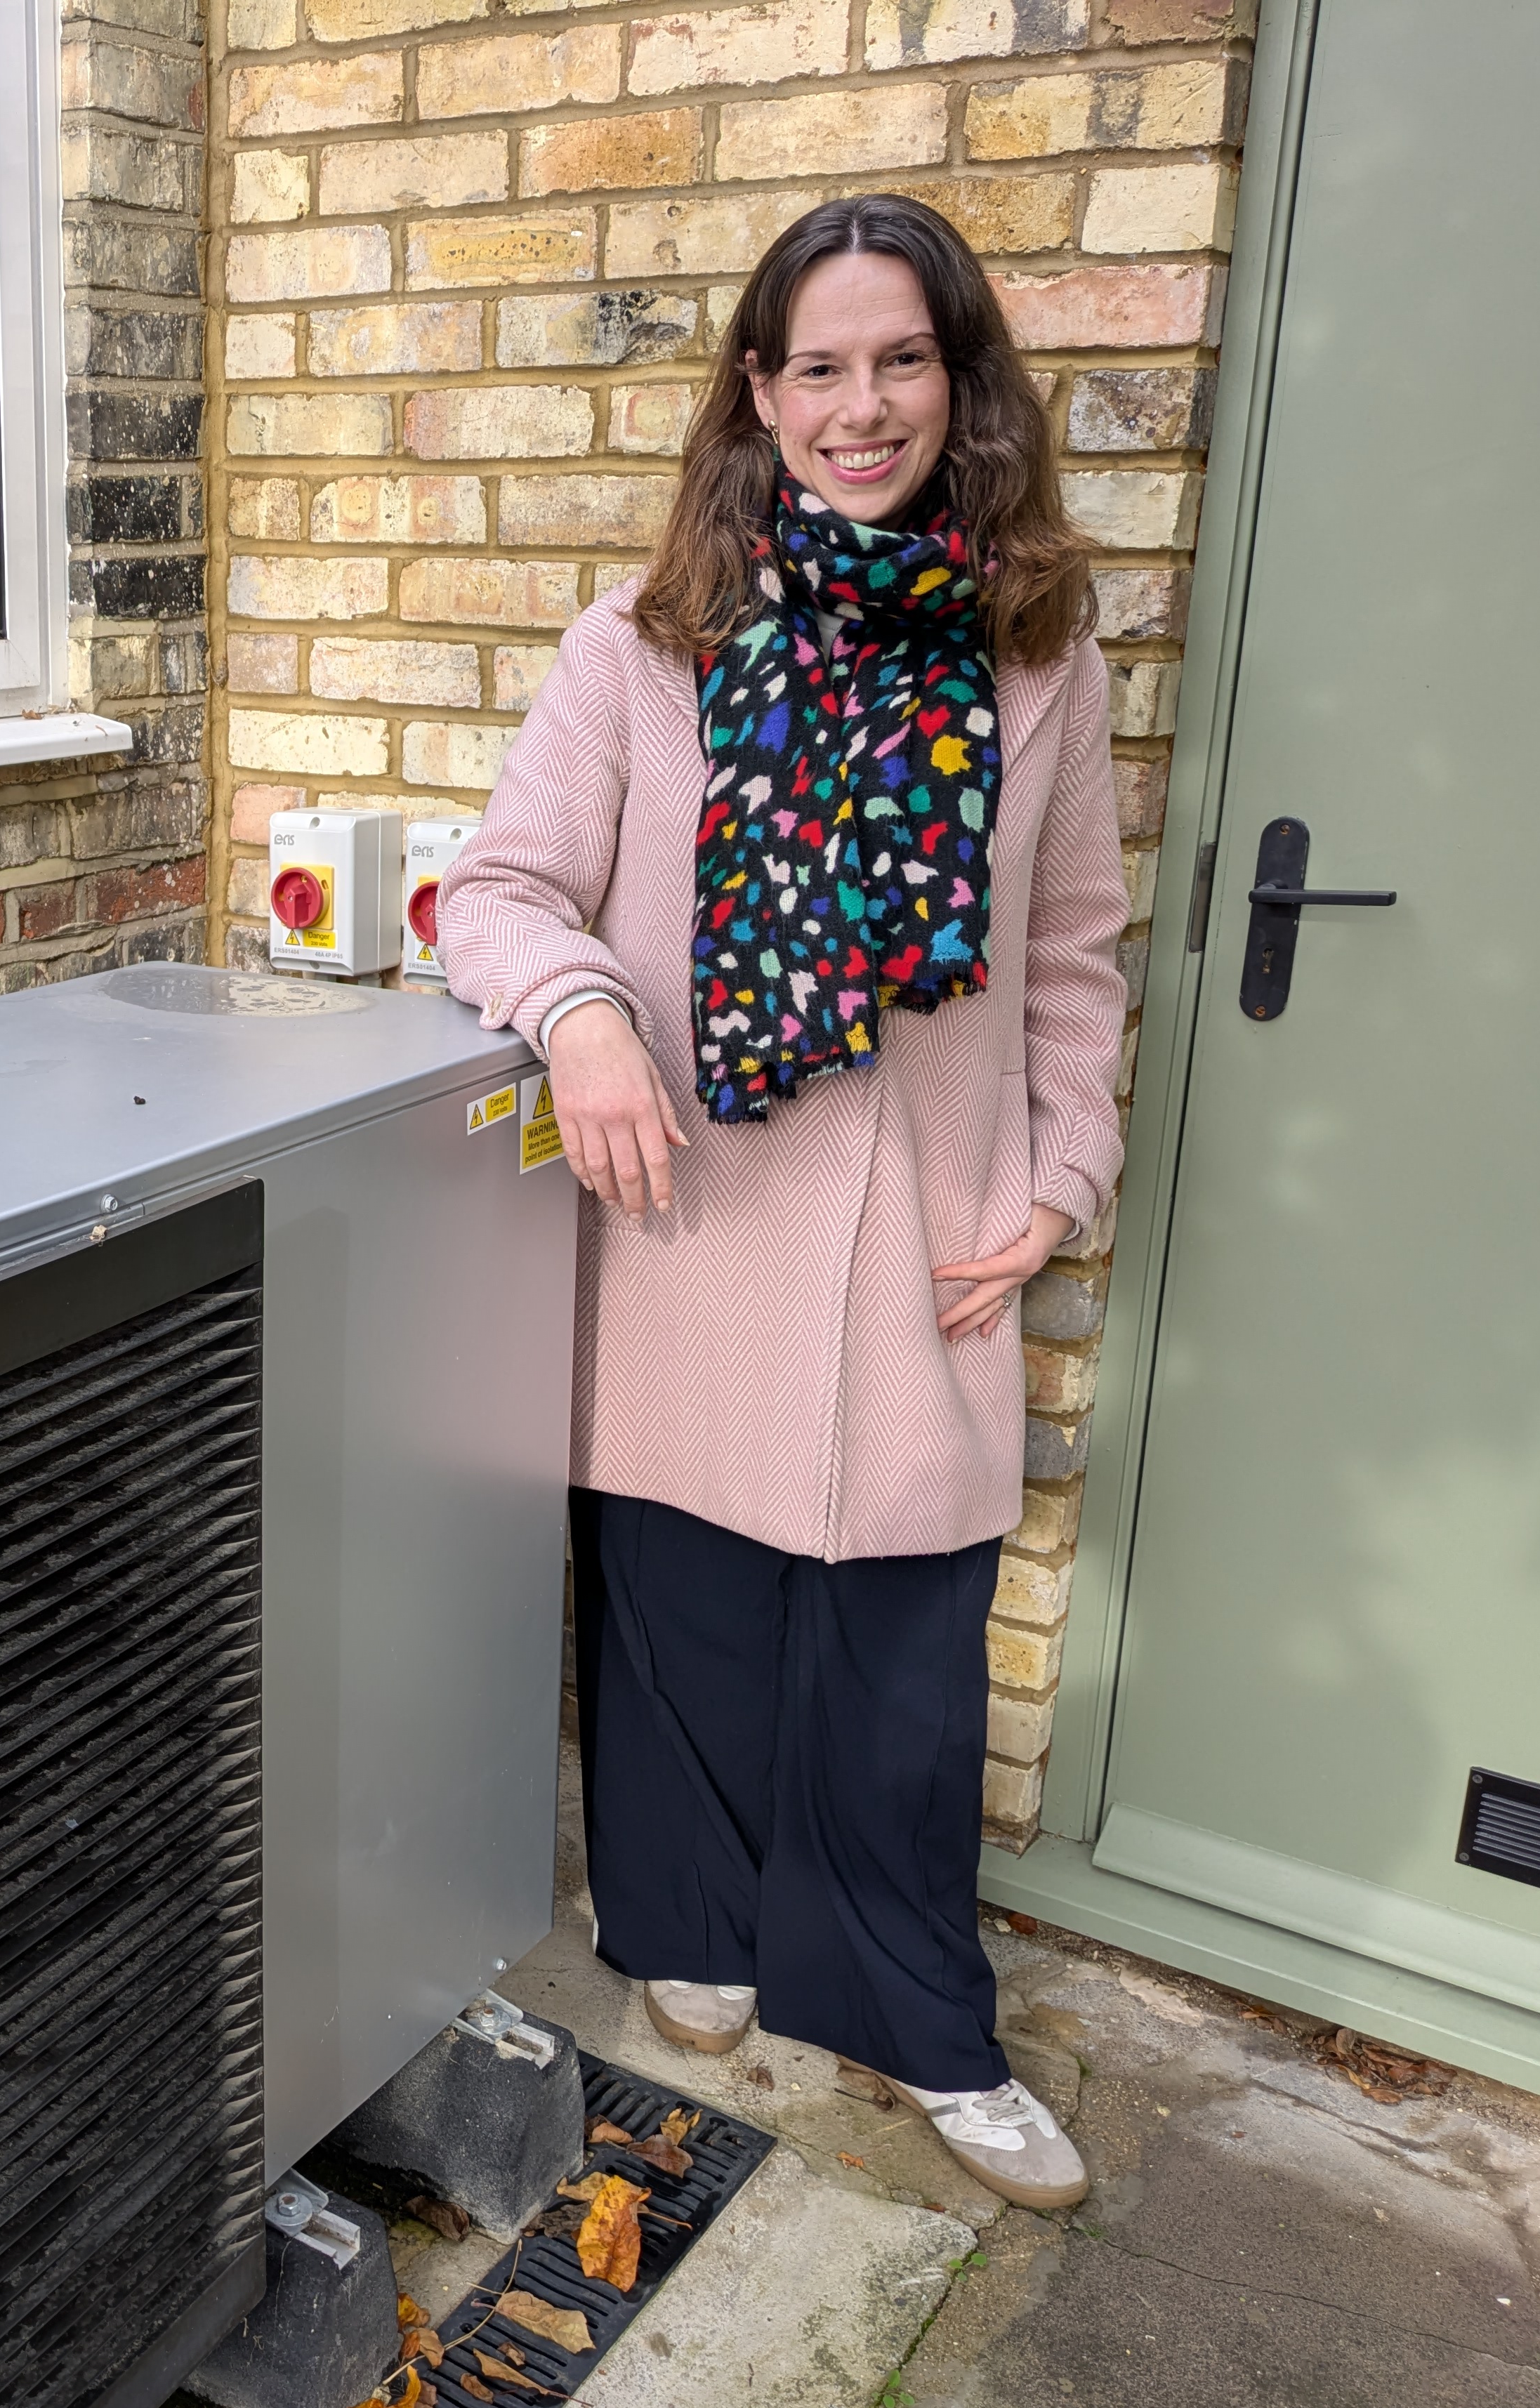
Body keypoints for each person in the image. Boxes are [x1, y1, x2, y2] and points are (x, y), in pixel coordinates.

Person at [437, 192, 1127, 2211]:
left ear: (960, 380)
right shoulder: (643, 648)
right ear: (759, 391)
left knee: (906, 1662)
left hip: (933, 1236)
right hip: (691, 1225)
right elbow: (498, 891)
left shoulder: (1035, 658)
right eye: (816, 365)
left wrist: (1063, 1172)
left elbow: (1076, 954)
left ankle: (934, 2028)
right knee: (684, 1629)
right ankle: (691, 1936)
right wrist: (576, 1018)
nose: (859, 404)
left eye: (900, 359)